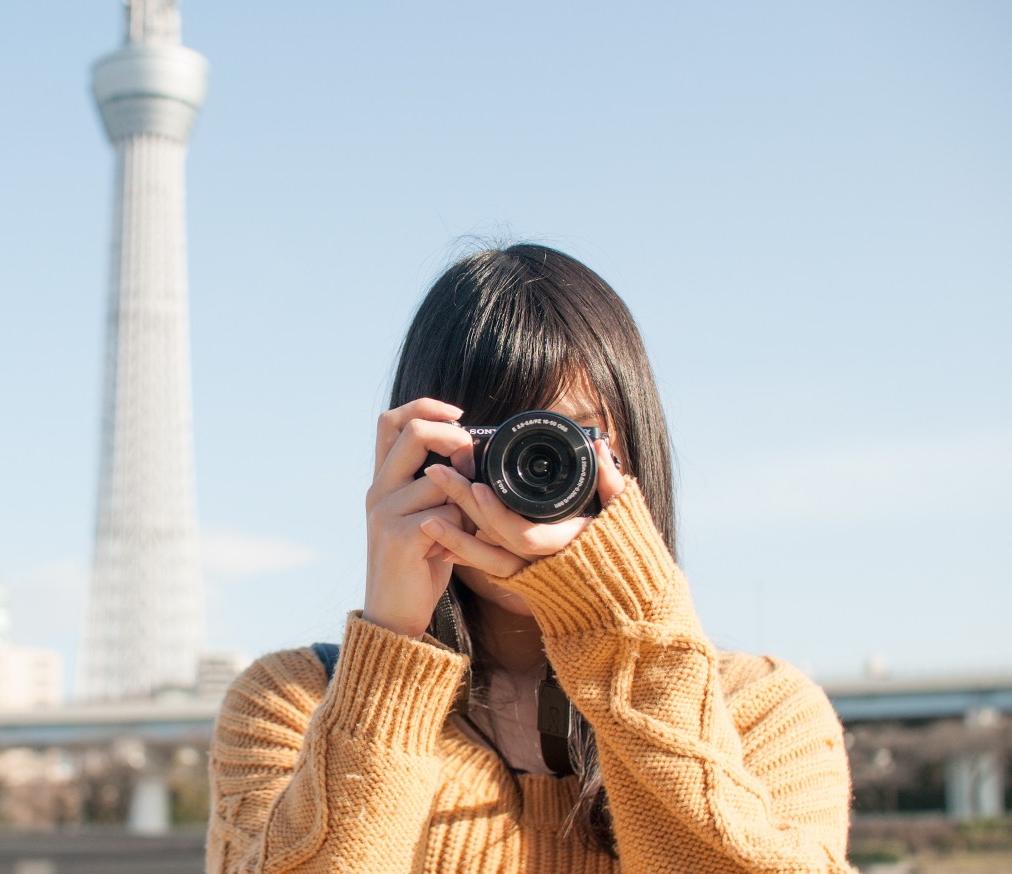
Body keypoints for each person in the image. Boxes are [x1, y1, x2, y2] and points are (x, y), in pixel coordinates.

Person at [206, 244, 854, 872]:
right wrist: (389, 656)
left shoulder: (762, 715)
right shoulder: (292, 706)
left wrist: (628, 625)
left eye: (566, 442)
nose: (522, 488)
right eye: (491, 443)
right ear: (417, 457)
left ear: (631, 456)